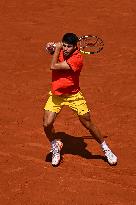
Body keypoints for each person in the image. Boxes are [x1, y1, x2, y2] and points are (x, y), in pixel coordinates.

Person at [43, 33, 117, 166]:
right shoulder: (61, 49)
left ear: (75, 47)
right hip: (57, 95)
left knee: (87, 123)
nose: (65, 48)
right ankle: (56, 144)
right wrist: (49, 47)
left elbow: (53, 66)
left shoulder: (77, 59)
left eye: (68, 46)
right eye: (64, 45)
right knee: (47, 124)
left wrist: (58, 48)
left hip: (74, 96)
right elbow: (50, 50)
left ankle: (106, 149)